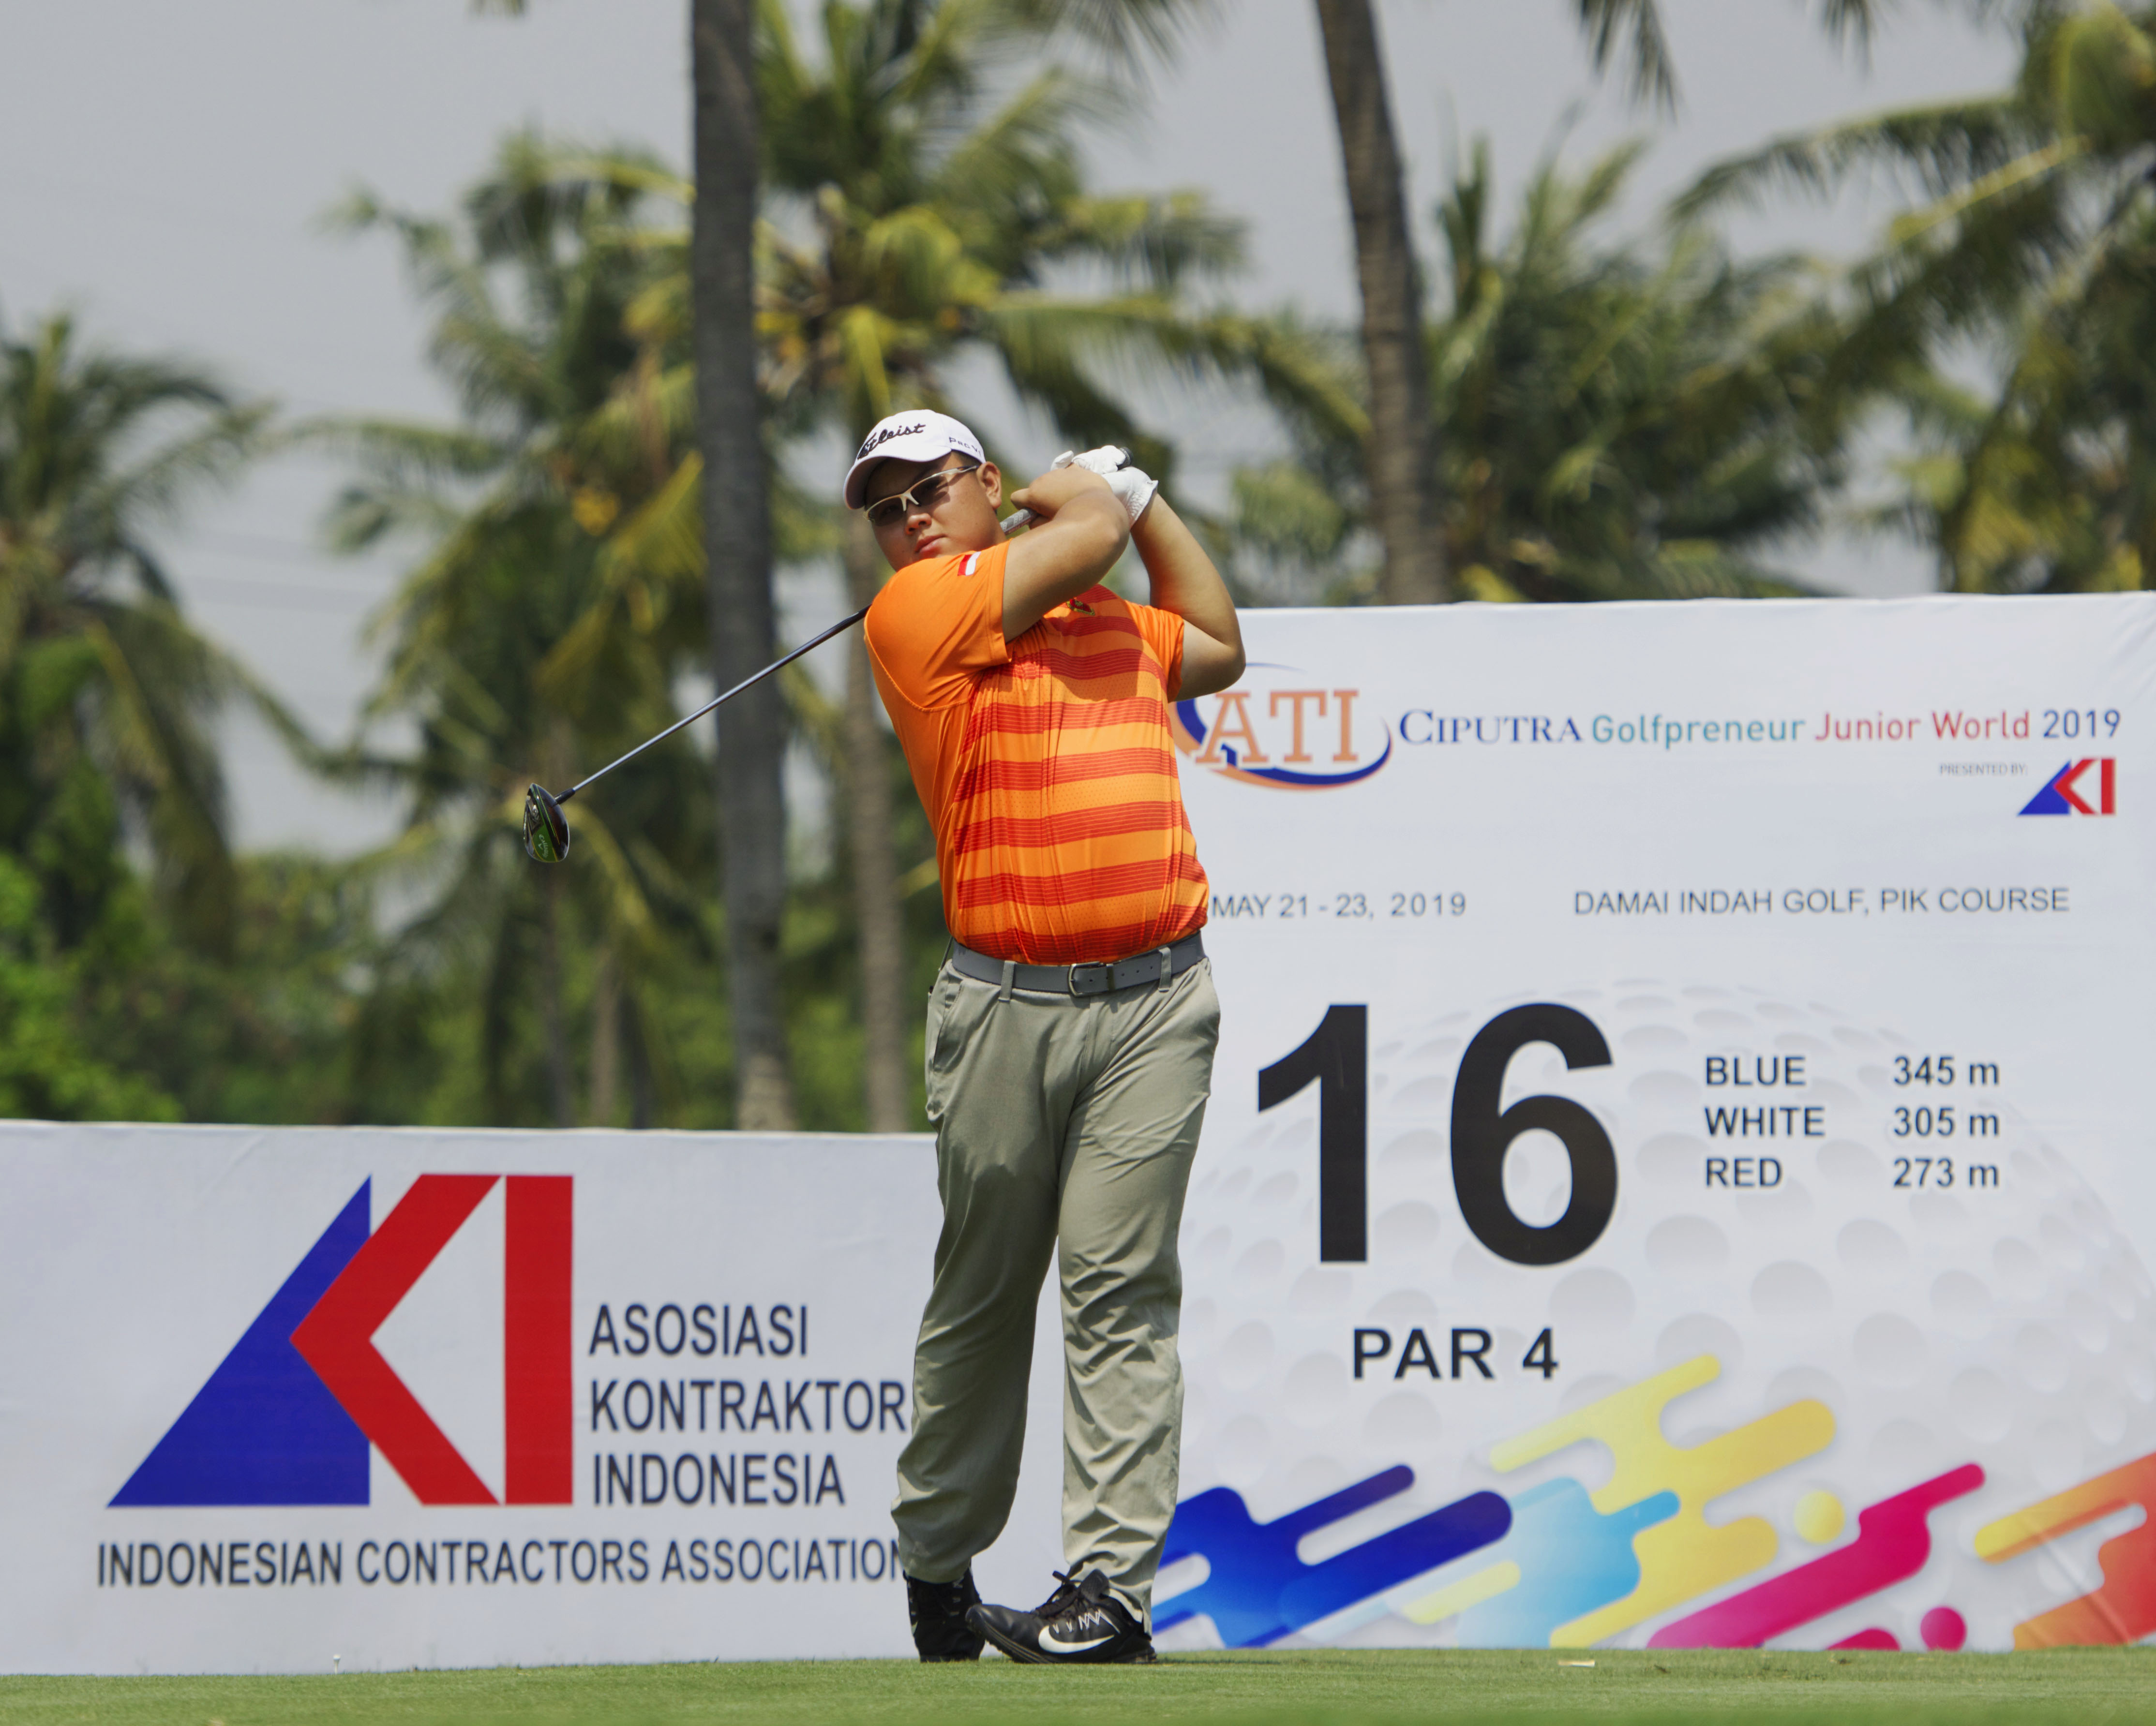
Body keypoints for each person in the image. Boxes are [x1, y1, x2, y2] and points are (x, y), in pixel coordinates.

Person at [843, 410, 1244, 1665]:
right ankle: (939, 1565)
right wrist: (1097, 493)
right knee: (983, 1298)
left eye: (931, 488)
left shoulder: (1107, 625)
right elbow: (1084, 539)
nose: (909, 515)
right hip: (1005, 1010)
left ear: (986, 490)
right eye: (885, 503)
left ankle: (1111, 1596)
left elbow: (1222, 645)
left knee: (1121, 1292)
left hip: (1156, 1005)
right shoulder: (913, 617)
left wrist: (1145, 493)